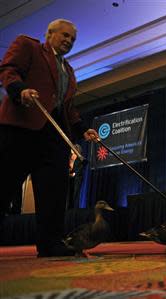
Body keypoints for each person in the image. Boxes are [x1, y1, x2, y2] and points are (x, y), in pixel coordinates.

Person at [0, 19, 99, 257]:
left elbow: (67, 108)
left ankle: (50, 243)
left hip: (54, 136)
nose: (69, 41)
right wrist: (19, 90)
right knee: (3, 186)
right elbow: (8, 69)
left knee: (55, 191)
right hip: (21, 129)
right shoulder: (28, 45)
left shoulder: (69, 71)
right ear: (49, 33)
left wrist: (82, 129)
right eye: (64, 35)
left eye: (73, 39)